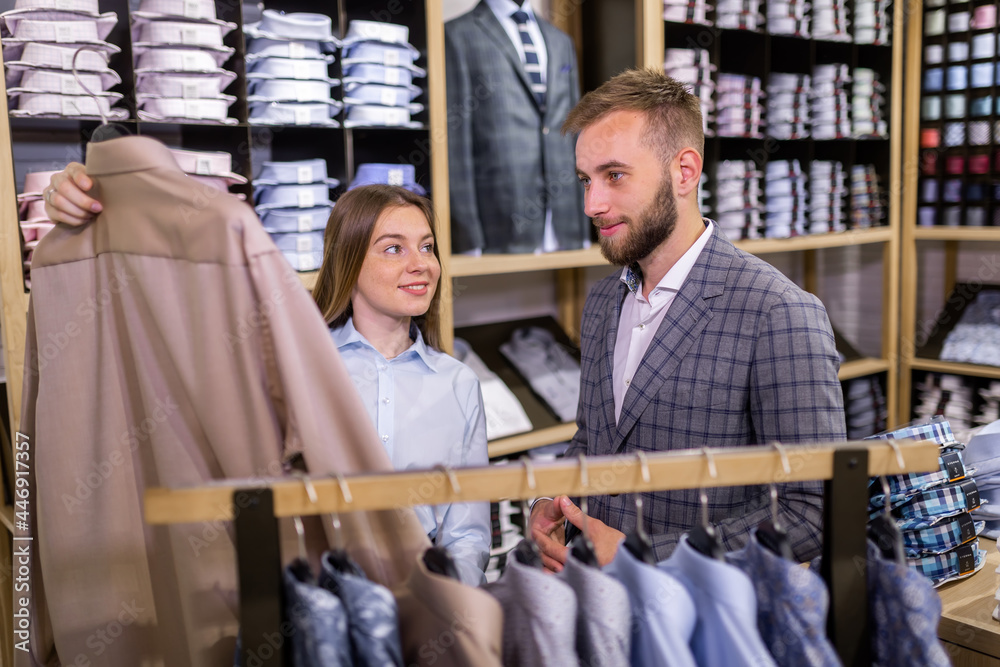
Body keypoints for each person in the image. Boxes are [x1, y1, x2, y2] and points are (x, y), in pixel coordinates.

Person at [43, 169, 491, 586]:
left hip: (425, 602)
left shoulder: (459, 385)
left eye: (427, 246)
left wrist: (448, 603)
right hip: (313, 597)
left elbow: (467, 535)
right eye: (394, 248)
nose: (422, 264)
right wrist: (89, 202)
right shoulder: (293, 372)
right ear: (350, 261)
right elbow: (175, 283)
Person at [528, 68, 846, 572]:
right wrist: (554, 501)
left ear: (684, 171)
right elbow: (594, 440)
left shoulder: (778, 312)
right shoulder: (602, 303)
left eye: (614, 175)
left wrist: (643, 558)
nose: (593, 203)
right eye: (586, 181)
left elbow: (810, 511)